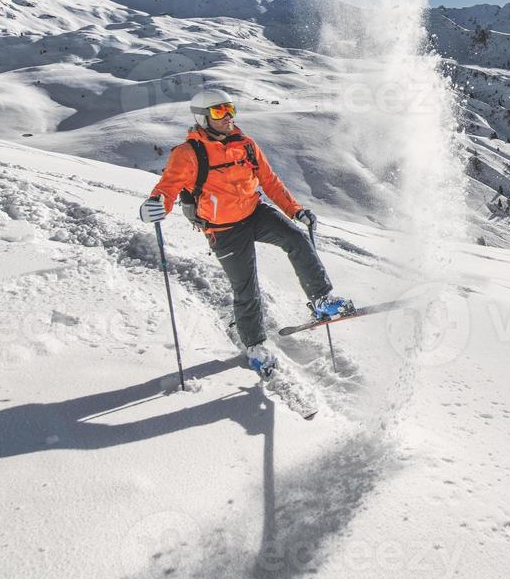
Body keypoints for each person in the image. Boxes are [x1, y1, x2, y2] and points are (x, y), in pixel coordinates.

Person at [137, 88, 351, 378]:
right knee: (246, 288)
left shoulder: (245, 145)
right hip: (223, 229)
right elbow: (168, 187)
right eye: (218, 111)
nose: (227, 117)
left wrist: (295, 210)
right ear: (203, 118)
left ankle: (322, 301)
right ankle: (255, 345)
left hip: (254, 212)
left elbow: (270, 181)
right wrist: (155, 205)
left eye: (230, 109)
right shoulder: (187, 154)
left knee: (296, 238)